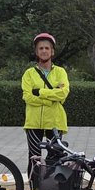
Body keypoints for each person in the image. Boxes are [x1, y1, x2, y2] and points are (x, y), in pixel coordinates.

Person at [21, 32, 70, 180]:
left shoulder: (60, 72)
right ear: (36, 52)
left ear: (52, 51)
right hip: (34, 122)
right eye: (41, 48)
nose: (44, 51)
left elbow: (63, 94)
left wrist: (40, 92)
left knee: (55, 157)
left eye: (47, 48)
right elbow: (28, 97)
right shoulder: (29, 74)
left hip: (55, 122)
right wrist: (51, 98)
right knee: (34, 158)